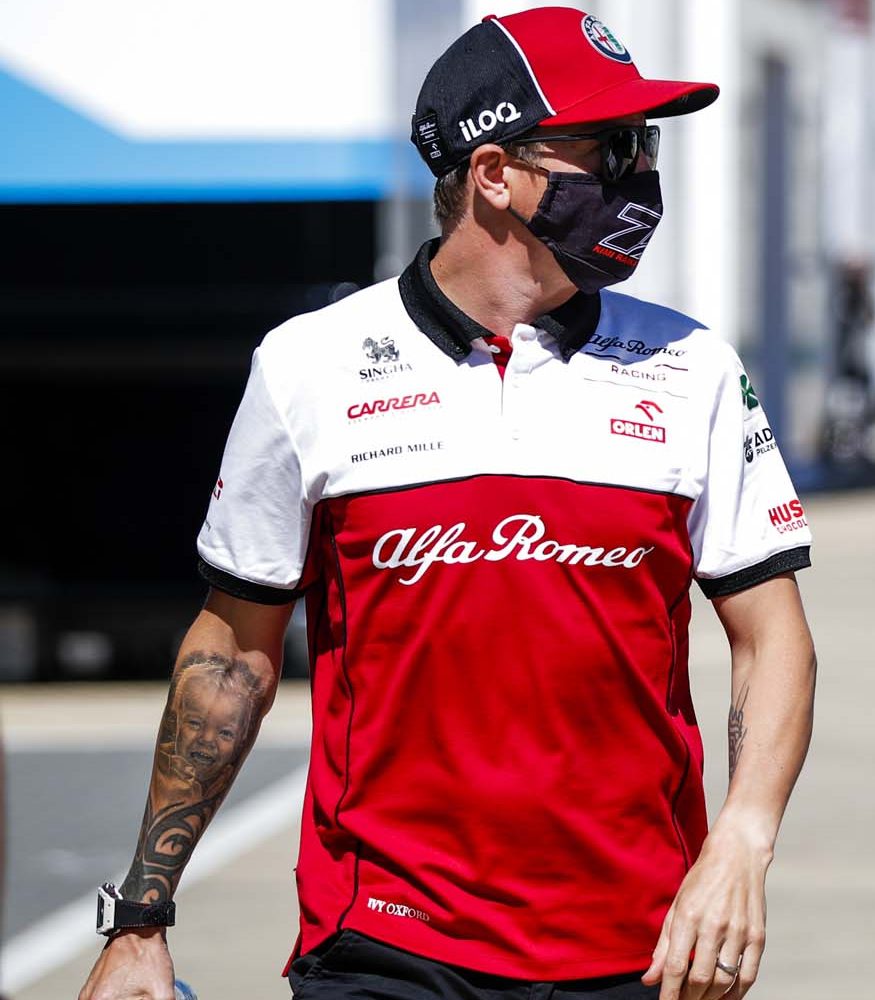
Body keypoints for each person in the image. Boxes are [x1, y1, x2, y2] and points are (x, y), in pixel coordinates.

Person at [79, 8, 817, 1000]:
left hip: (639, 946)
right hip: (384, 944)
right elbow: (231, 651)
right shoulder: (310, 365)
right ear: (494, 173)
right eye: (609, 148)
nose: (640, 175)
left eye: (645, 146)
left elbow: (774, 638)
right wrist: (142, 917)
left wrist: (743, 840)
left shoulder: (693, 367)